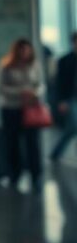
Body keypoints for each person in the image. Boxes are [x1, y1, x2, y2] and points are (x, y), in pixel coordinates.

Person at [0, 38, 45, 188]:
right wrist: (21, 92)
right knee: (12, 143)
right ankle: (14, 174)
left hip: (30, 109)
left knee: (32, 143)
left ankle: (36, 175)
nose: (25, 52)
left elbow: (41, 84)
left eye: (27, 49)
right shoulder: (6, 66)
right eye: (22, 49)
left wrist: (35, 93)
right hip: (11, 108)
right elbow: (2, 88)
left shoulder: (34, 65)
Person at [51, 33, 77, 161]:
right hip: (70, 98)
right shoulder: (65, 60)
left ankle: (56, 153)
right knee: (73, 127)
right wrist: (61, 100)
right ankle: (57, 152)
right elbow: (59, 83)